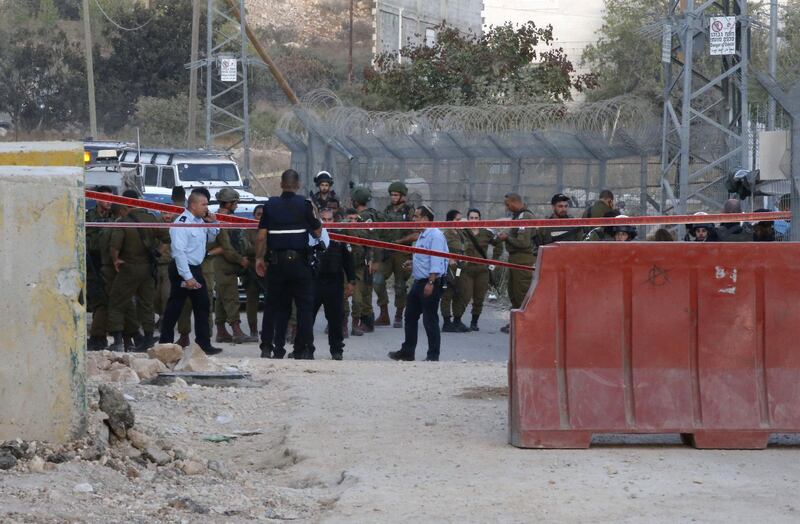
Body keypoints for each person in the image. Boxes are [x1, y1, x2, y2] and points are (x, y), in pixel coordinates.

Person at [255, 169, 322, 359]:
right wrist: (314, 213)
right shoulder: (304, 204)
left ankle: (269, 347)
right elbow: (318, 232)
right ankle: (304, 348)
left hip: (277, 264)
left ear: (281, 184)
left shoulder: (270, 205)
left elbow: (261, 237)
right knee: (304, 307)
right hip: (300, 264)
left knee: (273, 306)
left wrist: (259, 258)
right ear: (298, 184)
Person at [157, 189, 223, 355]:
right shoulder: (182, 223)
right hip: (183, 268)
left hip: (195, 267)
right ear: (193, 205)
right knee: (176, 306)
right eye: (204, 204)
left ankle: (202, 344)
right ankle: (165, 342)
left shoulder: (200, 220)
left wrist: (213, 223)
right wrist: (188, 277)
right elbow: (179, 252)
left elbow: (211, 238)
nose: (207, 208)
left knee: (202, 305)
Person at [107, 190, 170, 352]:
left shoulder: (123, 222)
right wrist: (157, 253)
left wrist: (115, 260)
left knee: (117, 302)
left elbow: (115, 246)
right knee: (146, 303)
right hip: (148, 268)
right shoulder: (152, 218)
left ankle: (118, 340)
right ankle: (148, 338)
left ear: (126, 203)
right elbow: (166, 238)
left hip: (129, 267)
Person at [389, 205, 448, 362]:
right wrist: (412, 263)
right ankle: (408, 352)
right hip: (419, 282)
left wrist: (431, 282)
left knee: (430, 320)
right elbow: (425, 258)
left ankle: (433, 355)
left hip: (430, 283)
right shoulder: (422, 235)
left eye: (416, 216)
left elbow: (436, 260)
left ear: (426, 219)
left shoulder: (434, 235)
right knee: (410, 316)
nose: (413, 219)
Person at [213, 188, 257, 344]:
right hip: (225, 264)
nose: (237, 206)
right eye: (235, 203)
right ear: (229, 203)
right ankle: (237, 331)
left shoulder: (222, 218)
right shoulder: (222, 220)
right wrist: (241, 260)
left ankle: (221, 332)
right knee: (231, 298)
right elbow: (227, 247)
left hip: (222, 264)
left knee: (221, 298)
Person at [311, 207, 356, 360]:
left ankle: (337, 350)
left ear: (334, 221)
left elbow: (349, 262)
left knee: (336, 319)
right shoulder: (311, 235)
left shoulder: (341, 237)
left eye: (330, 219)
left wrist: (351, 282)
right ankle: (305, 348)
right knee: (307, 318)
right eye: (324, 219)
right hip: (314, 282)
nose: (327, 222)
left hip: (334, 283)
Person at [154, 186, 193, 347]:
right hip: (163, 264)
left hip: (173, 264)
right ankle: (166, 323)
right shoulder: (170, 217)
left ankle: (168, 327)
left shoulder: (181, 217)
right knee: (159, 298)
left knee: (167, 297)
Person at [374, 181, 416, 328]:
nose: (393, 197)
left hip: (402, 252)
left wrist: (399, 241)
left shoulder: (410, 212)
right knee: (377, 281)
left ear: (403, 196)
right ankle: (384, 314)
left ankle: (399, 315)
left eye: (396, 195)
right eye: (391, 195)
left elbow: (417, 233)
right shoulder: (387, 210)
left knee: (400, 285)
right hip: (387, 251)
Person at [495, 193, 537, 334]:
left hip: (523, 259)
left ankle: (526, 323)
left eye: (507, 204)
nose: (507, 207)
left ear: (514, 202)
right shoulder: (517, 216)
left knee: (521, 292)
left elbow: (523, 242)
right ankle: (516, 321)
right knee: (513, 292)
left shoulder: (525, 217)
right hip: (515, 258)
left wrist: (507, 237)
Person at [453, 208, 498, 332]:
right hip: (467, 269)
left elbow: (498, 243)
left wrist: (494, 260)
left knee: (479, 297)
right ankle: (457, 320)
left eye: (476, 218)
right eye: (471, 218)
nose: (474, 220)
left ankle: (474, 322)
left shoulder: (486, 233)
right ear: (467, 219)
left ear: (480, 219)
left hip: (482, 270)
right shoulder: (462, 232)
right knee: (464, 295)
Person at [86, 186, 115, 351]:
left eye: (112, 199)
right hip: (92, 262)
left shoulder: (116, 218)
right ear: (97, 199)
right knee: (99, 301)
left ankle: (102, 336)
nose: (109, 202)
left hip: (110, 263)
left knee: (109, 301)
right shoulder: (88, 216)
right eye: (105, 198)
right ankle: (98, 337)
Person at [351, 186, 382, 334]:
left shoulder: (365, 217)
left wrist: (375, 260)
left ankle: (367, 321)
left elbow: (374, 238)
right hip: (362, 258)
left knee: (364, 291)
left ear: (356, 201)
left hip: (366, 259)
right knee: (364, 290)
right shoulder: (361, 215)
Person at [241, 204, 268, 338]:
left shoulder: (271, 229)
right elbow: (246, 249)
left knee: (271, 301)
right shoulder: (248, 230)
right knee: (252, 301)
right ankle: (253, 331)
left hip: (268, 269)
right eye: (258, 215)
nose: (261, 217)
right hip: (251, 270)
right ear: (254, 216)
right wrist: (261, 252)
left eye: (263, 214)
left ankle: (269, 329)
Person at [441, 210, 467, 333]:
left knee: (459, 291)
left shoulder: (460, 233)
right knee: (448, 294)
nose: (459, 222)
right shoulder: (445, 234)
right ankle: (447, 322)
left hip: (459, 268)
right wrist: (449, 258)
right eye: (457, 220)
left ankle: (457, 320)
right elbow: (440, 250)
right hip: (449, 268)